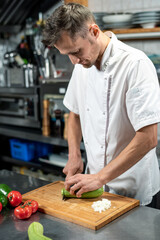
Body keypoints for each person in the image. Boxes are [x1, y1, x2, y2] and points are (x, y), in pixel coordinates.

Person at [42, 3, 160, 207]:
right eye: (67, 54)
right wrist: (74, 155)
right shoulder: (82, 64)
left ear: (94, 31)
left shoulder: (135, 64)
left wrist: (100, 177)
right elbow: (75, 114)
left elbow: (148, 138)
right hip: (95, 188)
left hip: (134, 189)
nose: (73, 61)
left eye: (76, 51)